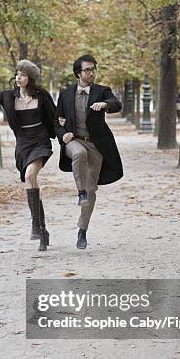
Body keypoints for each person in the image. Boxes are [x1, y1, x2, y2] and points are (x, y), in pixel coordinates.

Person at [0, 60, 56, 251]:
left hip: (40, 140)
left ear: (30, 78)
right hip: (23, 143)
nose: (18, 78)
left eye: (22, 75)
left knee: (30, 176)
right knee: (31, 182)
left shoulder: (41, 94)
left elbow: (54, 115)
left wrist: (65, 134)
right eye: (17, 74)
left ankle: (35, 225)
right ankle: (42, 229)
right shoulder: (7, 96)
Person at [55, 54, 123, 249]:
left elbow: (116, 104)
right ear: (78, 73)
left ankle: (82, 230)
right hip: (74, 142)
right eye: (87, 70)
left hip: (96, 145)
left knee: (92, 191)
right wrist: (63, 134)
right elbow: (56, 121)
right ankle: (80, 191)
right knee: (78, 154)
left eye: (93, 69)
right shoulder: (66, 94)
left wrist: (105, 105)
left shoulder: (102, 91)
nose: (91, 73)